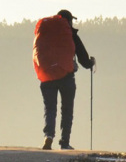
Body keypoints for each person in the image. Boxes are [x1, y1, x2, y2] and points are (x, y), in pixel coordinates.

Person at [34, 9, 95, 150]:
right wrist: (91, 63)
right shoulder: (70, 34)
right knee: (66, 110)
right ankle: (64, 142)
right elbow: (83, 59)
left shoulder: (45, 32)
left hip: (47, 76)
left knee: (50, 109)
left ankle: (48, 136)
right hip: (66, 77)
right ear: (68, 20)